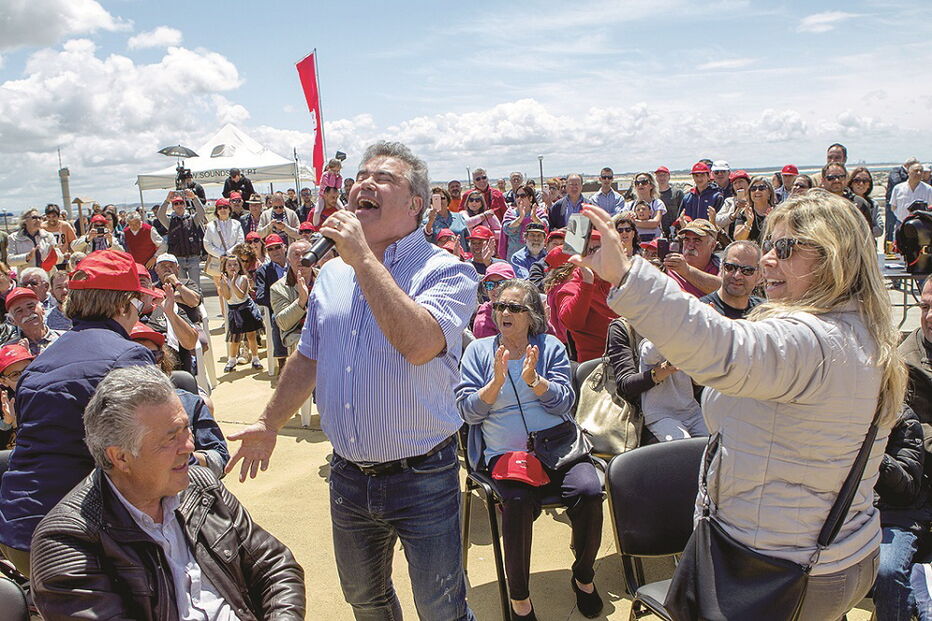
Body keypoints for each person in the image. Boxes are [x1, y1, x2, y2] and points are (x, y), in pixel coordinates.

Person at [572, 191, 906, 618]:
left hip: (772, 567)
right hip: (838, 551)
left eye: (785, 248)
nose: (768, 260)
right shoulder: (862, 329)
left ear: (833, 258)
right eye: (770, 246)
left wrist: (626, 276)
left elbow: (722, 348)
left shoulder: (812, 341)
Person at [227, 141, 478, 620]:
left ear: (416, 205)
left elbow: (419, 344)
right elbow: (308, 358)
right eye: (361, 175)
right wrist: (269, 422)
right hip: (348, 475)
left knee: (441, 607)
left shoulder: (445, 271)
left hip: (423, 475)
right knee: (365, 599)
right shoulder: (332, 276)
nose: (364, 182)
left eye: (384, 177)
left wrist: (363, 259)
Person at [30, 365, 305, 620]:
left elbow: (275, 567)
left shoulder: (202, 488)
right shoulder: (66, 541)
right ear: (121, 457)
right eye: (170, 438)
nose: (189, 446)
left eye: (187, 428)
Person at [0, 249, 159, 576]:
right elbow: (148, 451)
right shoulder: (128, 356)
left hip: (19, 534)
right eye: (137, 301)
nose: (140, 310)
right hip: (78, 537)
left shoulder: (38, 365)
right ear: (121, 303)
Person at [457, 278, 604, 619]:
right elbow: (466, 411)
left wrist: (535, 382)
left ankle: (583, 576)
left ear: (531, 316)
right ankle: (520, 598)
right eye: (499, 306)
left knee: (589, 489)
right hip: (507, 457)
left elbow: (565, 401)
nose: (504, 312)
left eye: (514, 307)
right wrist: (493, 384)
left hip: (558, 447)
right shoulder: (479, 352)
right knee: (517, 502)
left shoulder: (549, 347)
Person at [869, 406, 928, 621]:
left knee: (887, 571)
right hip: (847, 516)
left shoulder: (903, 417)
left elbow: (906, 490)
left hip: (894, 517)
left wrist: (875, 455)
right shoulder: (833, 412)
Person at [555, 229, 618, 362]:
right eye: (589, 251)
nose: (596, 255)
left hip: (633, 359)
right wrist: (587, 281)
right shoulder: (571, 288)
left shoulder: (619, 281)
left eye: (599, 249)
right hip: (598, 368)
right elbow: (572, 323)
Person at [218, 255, 263, 373]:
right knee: (235, 338)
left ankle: (255, 358)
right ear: (225, 268)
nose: (232, 267)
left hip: (246, 309)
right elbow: (227, 297)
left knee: (251, 336)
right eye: (229, 265)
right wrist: (225, 284)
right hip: (234, 310)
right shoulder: (223, 280)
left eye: (235, 264)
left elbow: (241, 295)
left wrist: (233, 283)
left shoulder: (243, 278)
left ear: (239, 266)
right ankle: (232, 360)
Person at [270, 239, 316, 355]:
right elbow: (283, 323)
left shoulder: (325, 277)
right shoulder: (278, 288)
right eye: (296, 255)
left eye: (306, 255)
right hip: (298, 333)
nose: (301, 259)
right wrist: (301, 301)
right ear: (288, 259)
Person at [699, 240, 764, 319]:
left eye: (747, 270)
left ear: (759, 276)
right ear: (721, 268)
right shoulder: (703, 311)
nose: (737, 276)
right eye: (730, 267)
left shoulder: (764, 312)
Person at [156, 190, 208, 287]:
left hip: (193, 258)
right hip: (178, 259)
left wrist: (194, 198)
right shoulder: (170, 222)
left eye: (181, 203)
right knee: (181, 286)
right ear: (173, 207)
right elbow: (160, 215)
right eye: (176, 203)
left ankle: (199, 302)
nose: (179, 205)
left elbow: (201, 212)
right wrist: (167, 200)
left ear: (185, 205)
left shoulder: (193, 219)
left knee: (196, 286)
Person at [255, 234, 289, 370]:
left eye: (277, 247)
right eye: (270, 249)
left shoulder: (295, 265)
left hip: (300, 305)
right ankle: (282, 363)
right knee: (276, 318)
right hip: (278, 309)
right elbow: (261, 296)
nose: (275, 251)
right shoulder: (263, 271)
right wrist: (279, 304)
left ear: (284, 247)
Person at [663, 219, 722, 297]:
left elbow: (724, 290)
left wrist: (687, 270)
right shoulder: (671, 264)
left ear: (712, 246)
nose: (690, 246)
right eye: (686, 239)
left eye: (697, 240)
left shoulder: (722, 267)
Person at [1, 287, 63, 354]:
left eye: (31, 307)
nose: (27, 313)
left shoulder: (64, 338)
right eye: (19, 311)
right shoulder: (8, 351)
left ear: (42, 309)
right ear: (12, 321)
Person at [500, 184, 549, 259]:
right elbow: (507, 229)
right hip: (514, 257)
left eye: (522, 196)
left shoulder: (538, 212)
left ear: (530, 198)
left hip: (535, 256)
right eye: (517, 196)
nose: (519, 199)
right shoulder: (510, 213)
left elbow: (545, 227)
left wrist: (534, 218)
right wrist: (520, 218)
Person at [472, 262, 517, 339]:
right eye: (490, 284)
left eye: (502, 283)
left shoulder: (526, 309)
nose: (496, 289)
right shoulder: (483, 322)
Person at [890, 161, 932, 232]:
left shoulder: (928, 189)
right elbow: (893, 207)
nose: (919, 173)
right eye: (916, 171)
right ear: (908, 173)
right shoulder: (898, 188)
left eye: (921, 171)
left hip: (922, 226)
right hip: (901, 224)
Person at [733, 176, 776, 242]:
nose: (757, 191)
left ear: (769, 192)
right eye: (753, 189)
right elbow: (738, 238)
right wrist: (749, 223)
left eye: (761, 188)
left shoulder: (779, 211)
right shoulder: (744, 213)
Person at [625, 172, 666, 240]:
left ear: (651, 186)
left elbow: (655, 223)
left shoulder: (657, 203)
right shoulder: (629, 205)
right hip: (635, 242)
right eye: (637, 183)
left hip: (654, 242)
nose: (640, 185)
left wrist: (634, 222)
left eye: (644, 182)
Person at [886, 158, 918, 242]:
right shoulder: (896, 171)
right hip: (893, 203)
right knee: (890, 226)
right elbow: (896, 181)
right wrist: (909, 177)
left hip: (905, 204)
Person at [848, 166, 883, 238]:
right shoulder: (845, 202)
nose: (861, 184)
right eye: (857, 180)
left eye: (865, 181)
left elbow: (879, 229)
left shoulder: (873, 204)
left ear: (869, 185)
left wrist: (859, 233)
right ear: (851, 183)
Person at [714, 170, 751, 235]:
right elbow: (717, 221)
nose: (738, 185)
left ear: (749, 183)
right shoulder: (729, 202)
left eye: (741, 181)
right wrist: (732, 215)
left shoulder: (754, 200)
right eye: (735, 183)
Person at [42, 204, 76, 269]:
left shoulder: (65, 225)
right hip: (48, 260)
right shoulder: (42, 227)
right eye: (48, 217)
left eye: (53, 216)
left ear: (58, 216)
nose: (51, 219)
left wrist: (72, 256)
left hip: (64, 259)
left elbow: (73, 242)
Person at [656, 166, 683, 234]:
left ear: (669, 177)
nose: (662, 178)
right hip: (658, 231)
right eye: (659, 175)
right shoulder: (653, 194)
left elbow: (683, 211)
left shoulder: (677, 193)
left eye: (664, 175)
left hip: (675, 230)